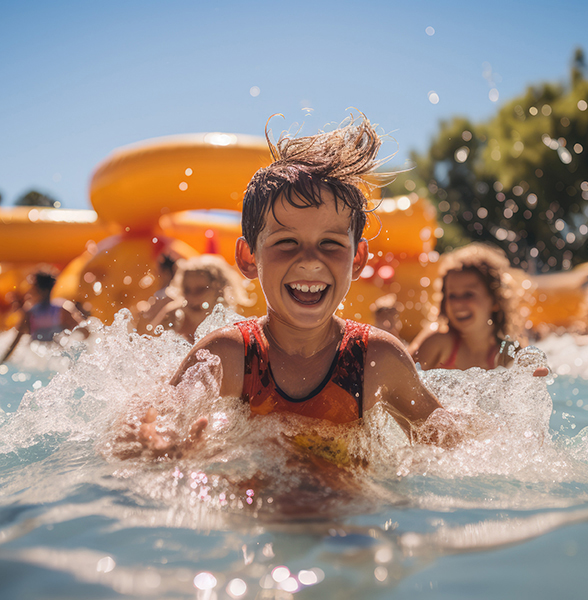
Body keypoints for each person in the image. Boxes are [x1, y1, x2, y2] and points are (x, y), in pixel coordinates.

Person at [119, 115, 547, 461]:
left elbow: (460, 446)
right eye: (286, 242)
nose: (310, 259)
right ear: (249, 258)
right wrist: (155, 447)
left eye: (331, 243)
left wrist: (517, 416)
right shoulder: (229, 356)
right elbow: (144, 428)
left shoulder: (376, 359)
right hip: (256, 526)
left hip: (354, 528)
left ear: (357, 258)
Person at [410, 243, 524, 371]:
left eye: (468, 294)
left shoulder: (509, 353)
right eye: (452, 295)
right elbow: (400, 384)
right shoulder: (438, 343)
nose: (458, 303)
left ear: (495, 301)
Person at [148, 254, 249, 343]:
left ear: (219, 290)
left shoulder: (230, 322)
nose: (191, 297)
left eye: (200, 290)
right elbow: (148, 346)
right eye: (187, 290)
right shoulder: (173, 315)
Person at [0, 268, 86, 363]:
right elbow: (84, 332)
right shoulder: (30, 312)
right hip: (54, 358)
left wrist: (3, 360)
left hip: (45, 358)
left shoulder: (60, 310)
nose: (29, 291)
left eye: (32, 288)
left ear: (42, 291)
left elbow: (16, 342)